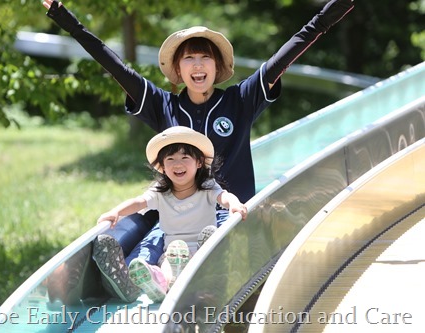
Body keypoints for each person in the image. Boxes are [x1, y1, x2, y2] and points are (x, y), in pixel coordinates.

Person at [42, 0, 355, 302]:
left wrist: (333, 11)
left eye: (204, 57)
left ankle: (189, 271)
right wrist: (64, 18)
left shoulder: (240, 100)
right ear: (177, 69)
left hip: (224, 210)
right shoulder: (162, 103)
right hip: (172, 208)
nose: (197, 65)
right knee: (146, 226)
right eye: (188, 58)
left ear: (217, 66)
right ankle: (120, 275)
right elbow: (113, 64)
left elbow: (288, 53)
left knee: (204, 237)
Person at [95, 126, 247, 302]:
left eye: (185, 157)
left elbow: (224, 197)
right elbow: (139, 202)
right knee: (167, 270)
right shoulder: (161, 192)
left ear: (199, 162)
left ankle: (198, 266)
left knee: (205, 247)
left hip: (201, 248)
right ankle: (149, 283)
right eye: (170, 159)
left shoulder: (207, 187)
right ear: (163, 167)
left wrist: (235, 204)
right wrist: (116, 212)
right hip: (173, 253)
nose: (177, 164)